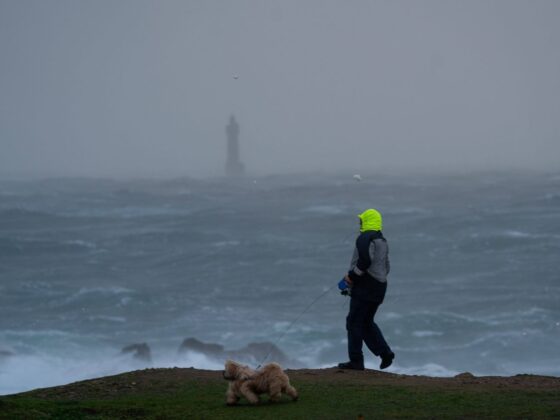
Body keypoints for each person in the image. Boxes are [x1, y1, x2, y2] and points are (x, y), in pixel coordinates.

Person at [338, 208, 395, 371]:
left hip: (365, 288)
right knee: (366, 322)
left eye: (362, 220)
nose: (360, 223)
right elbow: (387, 267)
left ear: (367, 221)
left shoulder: (364, 238)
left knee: (354, 322)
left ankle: (356, 361)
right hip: (380, 287)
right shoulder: (382, 240)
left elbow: (364, 261)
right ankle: (385, 353)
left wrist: (351, 277)